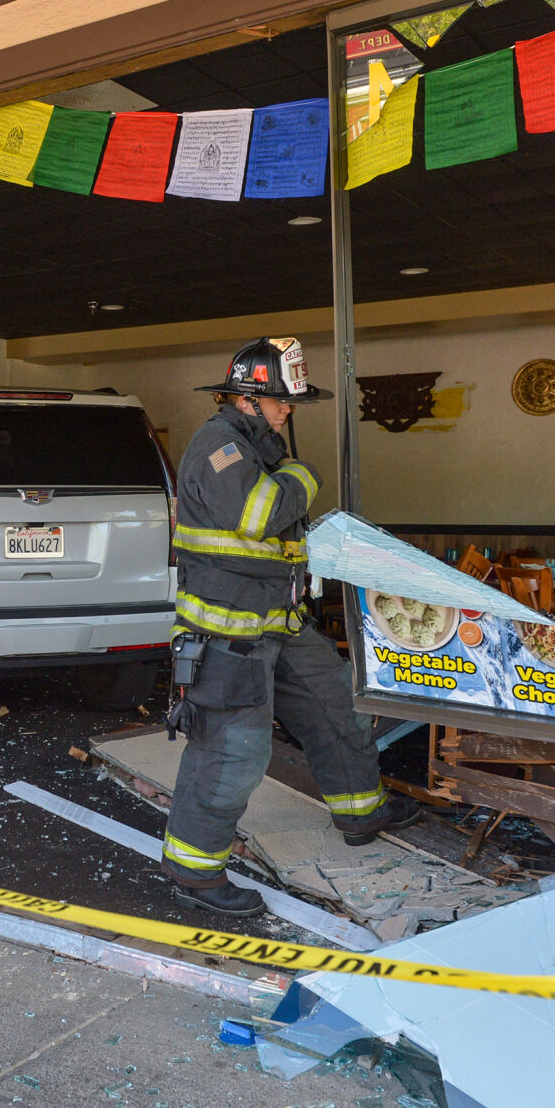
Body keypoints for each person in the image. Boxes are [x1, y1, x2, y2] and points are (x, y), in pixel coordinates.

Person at [163, 337, 420, 917]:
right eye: (282, 401)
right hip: (231, 632)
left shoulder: (258, 446)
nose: (289, 410)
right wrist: (303, 477)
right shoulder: (219, 447)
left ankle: (362, 810)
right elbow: (259, 516)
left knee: (338, 705)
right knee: (235, 753)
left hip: (279, 619)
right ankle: (195, 872)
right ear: (250, 399)